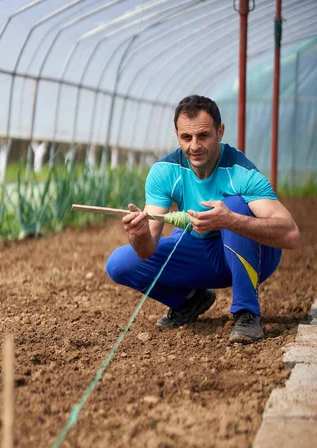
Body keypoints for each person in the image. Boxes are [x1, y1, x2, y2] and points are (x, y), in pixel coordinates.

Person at [106, 95, 301, 344]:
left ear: (220, 132)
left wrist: (230, 220)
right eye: (186, 137)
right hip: (198, 252)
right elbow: (147, 249)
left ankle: (247, 313)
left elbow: (291, 234)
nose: (194, 146)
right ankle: (190, 300)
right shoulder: (164, 171)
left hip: (251, 254)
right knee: (119, 263)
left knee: (235, 205)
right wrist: (139, 233)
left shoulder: (241, 172)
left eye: (203, 135)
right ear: (177, 134)